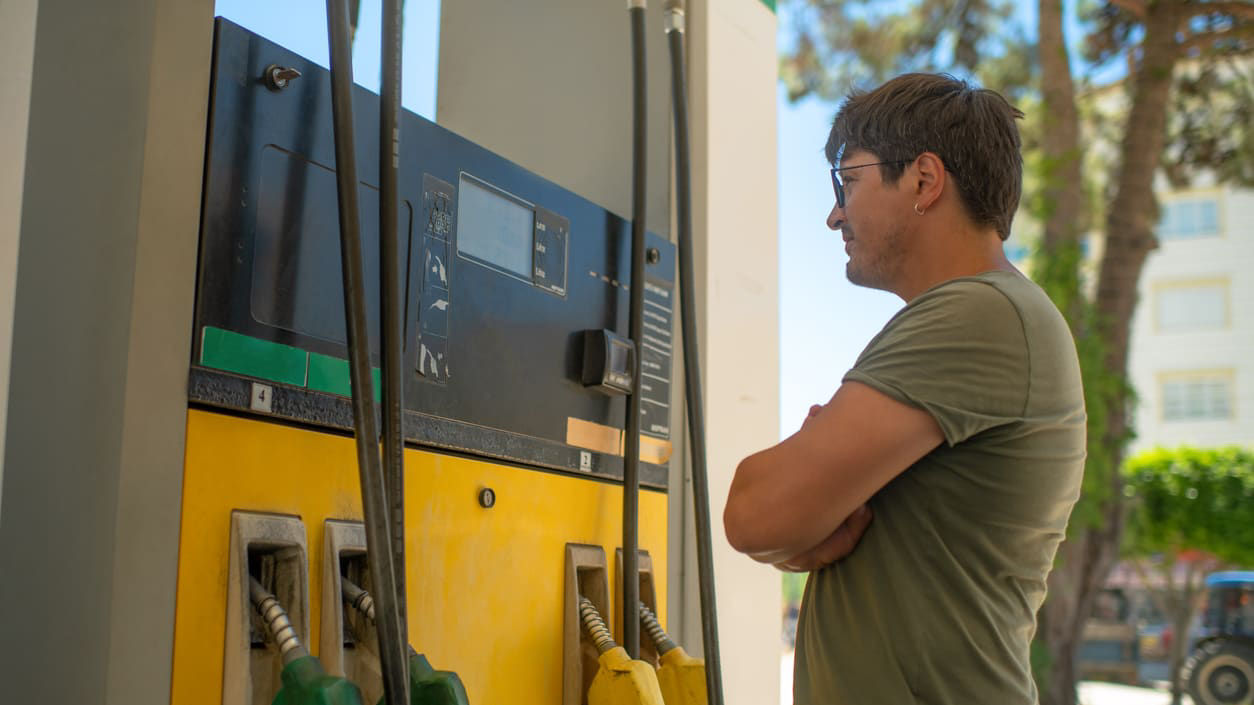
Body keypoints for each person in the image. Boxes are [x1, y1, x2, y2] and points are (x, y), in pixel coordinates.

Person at [723, 73, 1087, 704]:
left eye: (849, 182)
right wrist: (801, 532)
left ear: (924, 179)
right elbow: (782, 526)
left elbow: (754, 512)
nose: (835, 212)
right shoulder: (984, 314)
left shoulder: (981, 315)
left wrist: (800, 506)